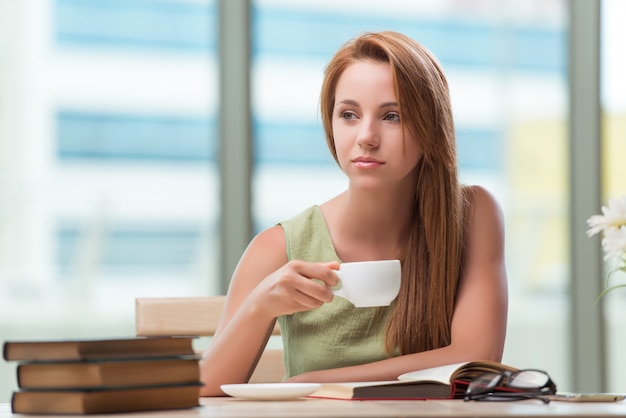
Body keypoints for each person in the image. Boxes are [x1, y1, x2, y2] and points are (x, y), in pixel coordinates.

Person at [199, 30, 508, 396]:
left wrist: (310, 383)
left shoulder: (473, 215)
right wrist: (258, 307)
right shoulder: (277, 247)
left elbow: (475, 357)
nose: (366, 136)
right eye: (348, 114)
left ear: (431, 126)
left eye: (392, 116)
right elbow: (205, 388)